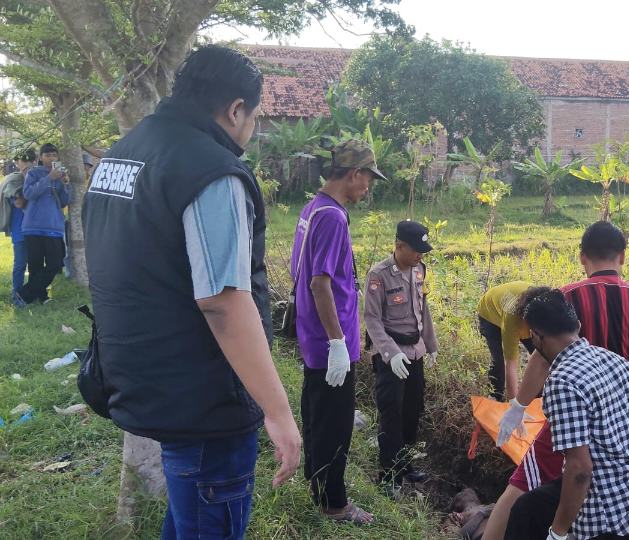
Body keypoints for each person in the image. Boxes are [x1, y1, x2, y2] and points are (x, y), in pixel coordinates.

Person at [82, 45, 301, 539]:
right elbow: (223, 303)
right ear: (235, 109)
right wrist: (279, 413)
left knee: (188, 519)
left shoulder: (125, 152)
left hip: (143, 378)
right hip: (204, 400)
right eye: (254, 117)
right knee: (206, 514)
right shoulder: (210, 170)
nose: (250, 131)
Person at [484, 221, 629, 540]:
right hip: (620, 413)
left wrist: (519, 404)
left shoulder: (566, 299)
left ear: (582, 257)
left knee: (521, 488)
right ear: (623, 257)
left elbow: (541, 360)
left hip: (571, 411)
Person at [503, 289, 629, 540]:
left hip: (604, 516)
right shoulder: (615, 361)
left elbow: (580, 469)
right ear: (576, 324)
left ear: (536, 338)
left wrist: (558, 533)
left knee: (537, 518)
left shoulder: (562, 381)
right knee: (527, 508)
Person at [293, 139, 385, 525]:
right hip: (330, 342)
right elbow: (319, 283)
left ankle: (317, 487)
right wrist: (336, 342)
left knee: (317, 416)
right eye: (368, 180)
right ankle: (334, 504)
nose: (368, 188)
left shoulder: (313, 208)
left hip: (314, 338)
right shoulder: (333, 216)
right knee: (335, 424)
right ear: (354, 174)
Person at [363, 220, 438, 497]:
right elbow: (371, 319)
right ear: (399, 246)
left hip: (415, 351)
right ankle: (388, 474)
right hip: (390, 355)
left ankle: (404, 464)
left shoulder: (419, 269)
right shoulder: (379, 275)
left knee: (412, 410)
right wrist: (390, 353)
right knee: (391, 414)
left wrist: (431, 345)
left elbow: (423, 310)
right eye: (416, 250)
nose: (421, 255)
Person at [15, 143, 71, 306]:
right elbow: (29, 193)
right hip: (33, 225)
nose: (51, 158)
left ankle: (24, 294)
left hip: (54, 226)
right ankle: (41, 296)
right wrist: (49, 178)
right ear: (40, 157)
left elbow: (64, 202)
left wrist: (65, 184)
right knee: (35, 265)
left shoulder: (60, 175)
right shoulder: (33, 172)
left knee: (56, 263)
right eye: (47, 155)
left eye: (54, 155)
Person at [477, 280, 536, 401]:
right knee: (499, 359)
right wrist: (514, 405)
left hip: (516, 298)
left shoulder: (549, 308)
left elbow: (545, 358)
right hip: (490, 313)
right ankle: (496, 394)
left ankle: (539, 394)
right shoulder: (512, 320)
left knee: (541, 354)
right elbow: (510, 364)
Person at [1, 148, 34, 302]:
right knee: (20, 264)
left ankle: (31, 293)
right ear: (17, 162)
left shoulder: (37, 176)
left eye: (30, 161)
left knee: (35, 264)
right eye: (23, 161)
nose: (26, 164)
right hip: (20, 229)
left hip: (36, 229)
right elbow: (19, 203)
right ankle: (17, 296)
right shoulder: (14, 180)